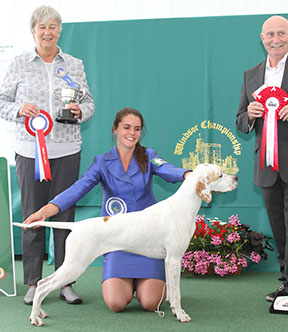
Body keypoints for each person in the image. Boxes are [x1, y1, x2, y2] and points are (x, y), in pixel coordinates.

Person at [24, 107, 190, 312]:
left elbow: (168, 169)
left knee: (151, 303)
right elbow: (79, 188)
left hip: (149, 239)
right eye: (126, 127)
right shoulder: (102, 162)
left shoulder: (149, 156)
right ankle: (129, 284)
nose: (132, 133)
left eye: (137, 129)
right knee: (116, 303)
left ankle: (146, 284)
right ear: (115, 130)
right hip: (116, 239)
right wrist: (45, 212)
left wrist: (188, 175)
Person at [0, 6, 95, 305]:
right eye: (42, 26)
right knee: (32, 217)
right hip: (30, 151)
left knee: (65, 218)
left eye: (52, 26)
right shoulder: (18, 63)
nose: (47, 31)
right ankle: (33, 281)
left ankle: (66, 281)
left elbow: (88, 102)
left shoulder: (75, 65)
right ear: (33, 31)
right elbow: (1, 101)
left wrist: (82, 112)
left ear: (59, 31)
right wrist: (18, 110)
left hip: (67, 150)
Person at [236, 15, 288, 302]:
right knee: (279, 226)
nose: (276, 39)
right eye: (270, 34)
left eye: (281, 33)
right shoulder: (251, 74)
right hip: (265, 165)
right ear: (262, 38)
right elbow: (239, 120)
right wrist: (248, 115)